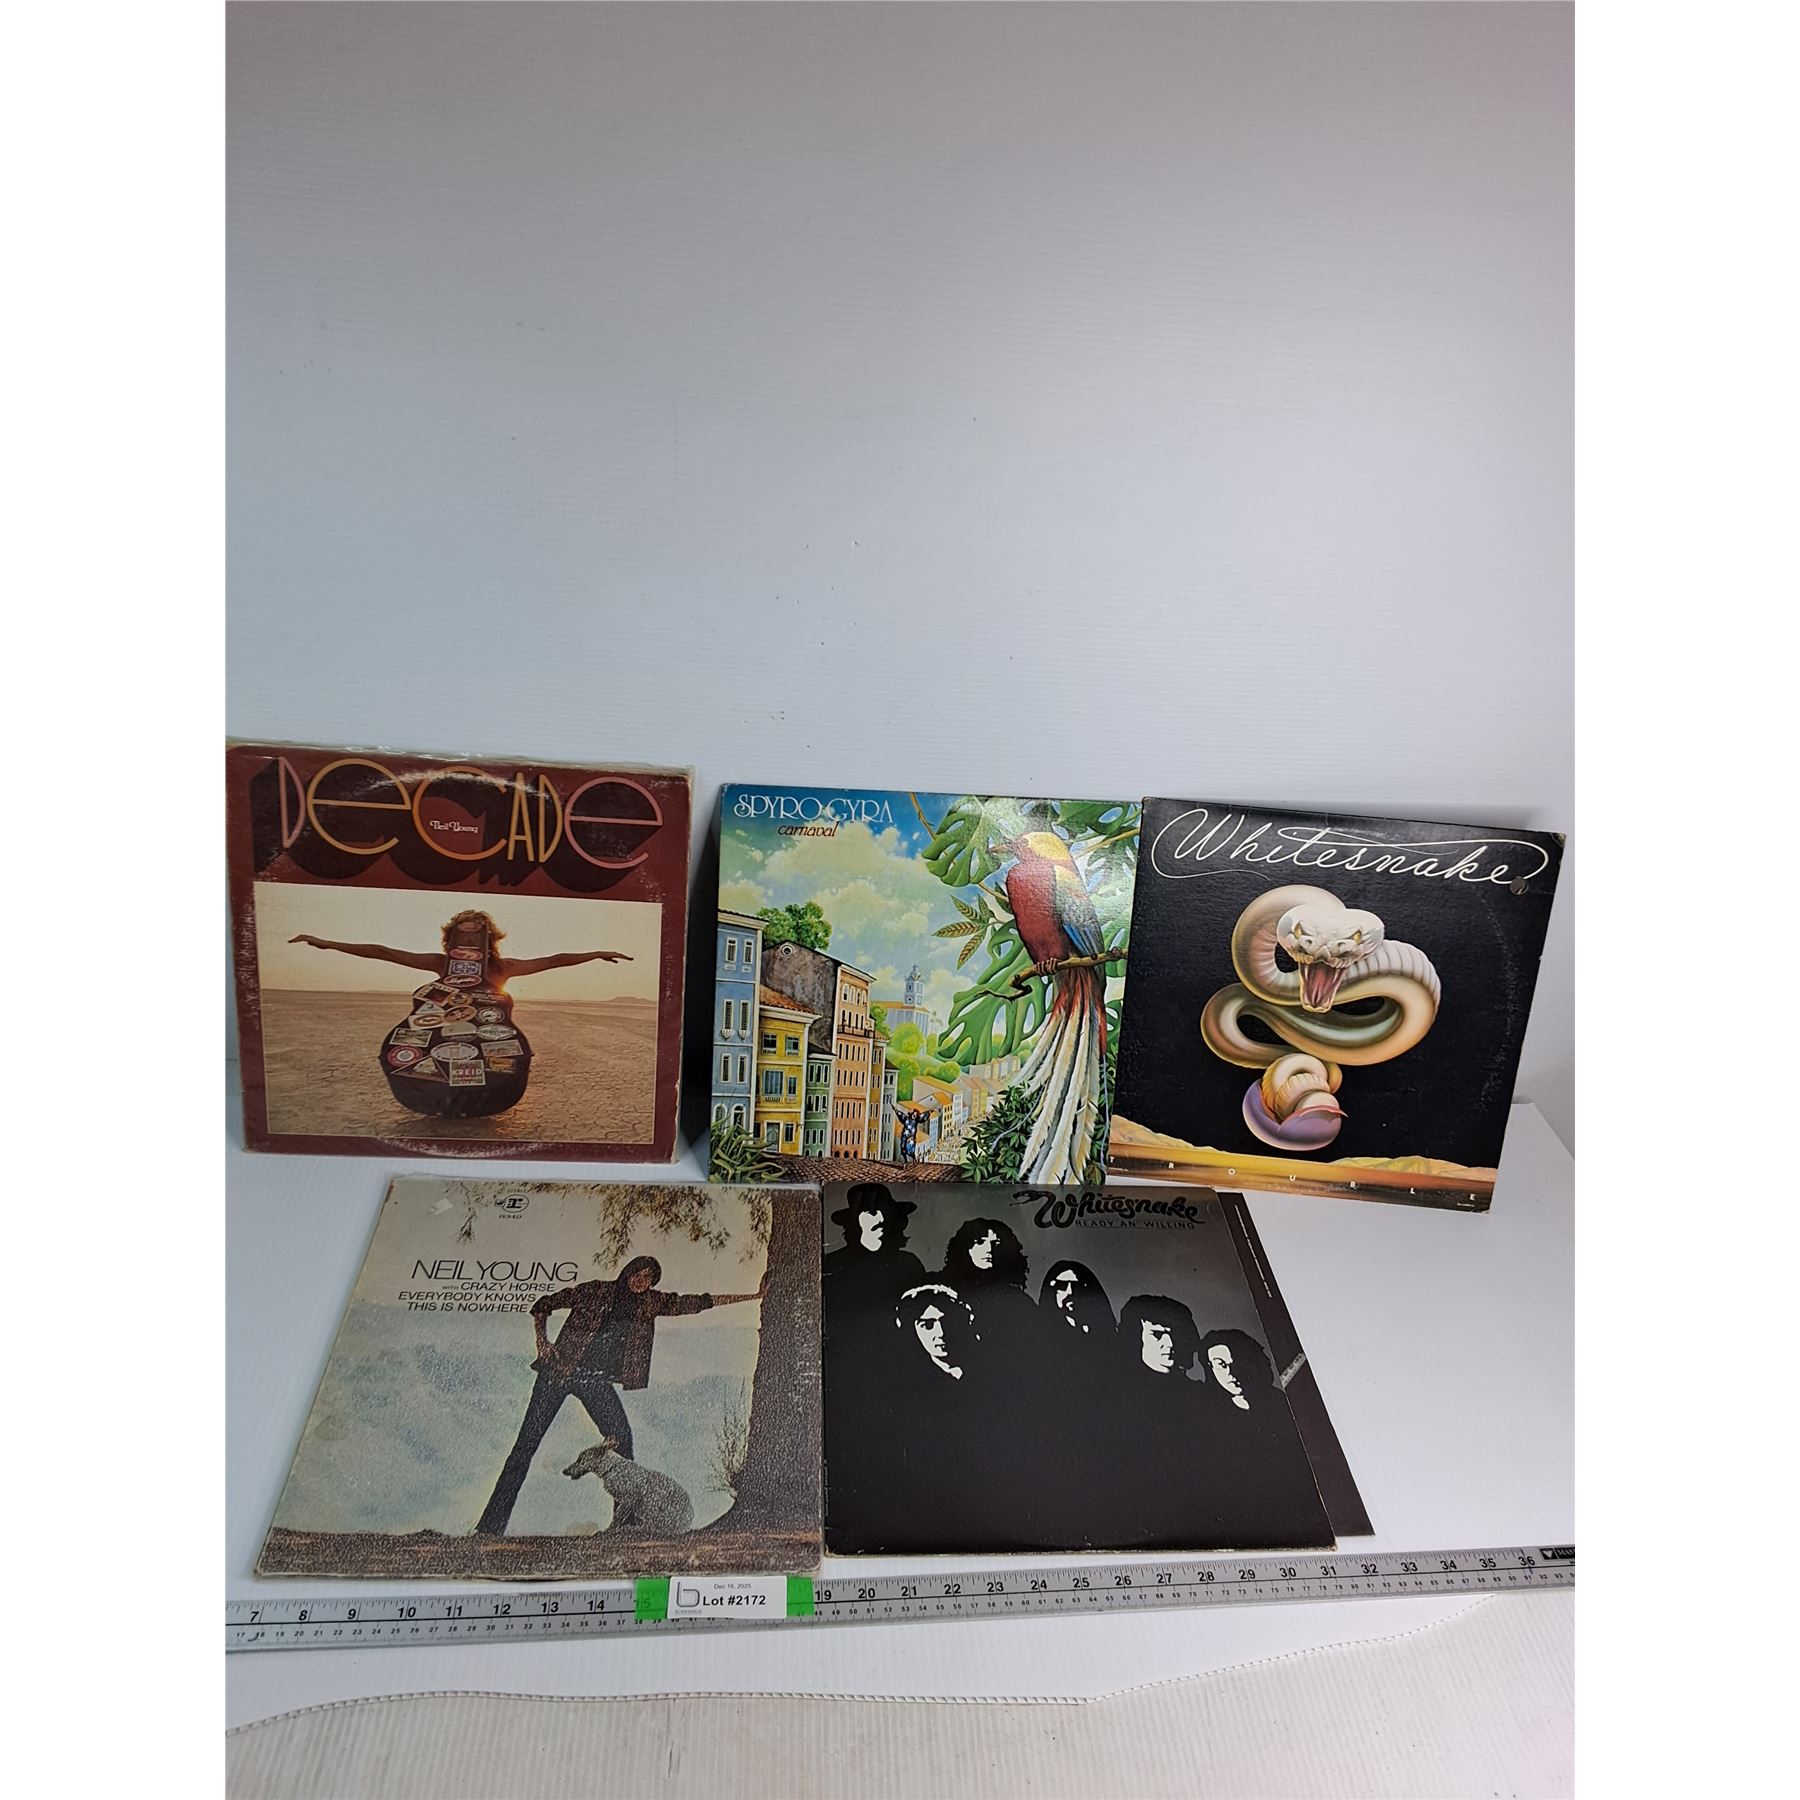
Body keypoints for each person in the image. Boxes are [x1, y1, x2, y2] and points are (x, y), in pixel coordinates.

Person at [475, 1254, 765, 1536]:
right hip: (557, 1373)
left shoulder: (651, 1302)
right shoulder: (595, 1290)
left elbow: (696, 1303)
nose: (642, 1281)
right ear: (627, 1272)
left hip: (595, 1382)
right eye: (638, 1274)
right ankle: (490, 1527)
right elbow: (542, 1306)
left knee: (622, 1439)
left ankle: (626, 1526)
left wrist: (753, 1296)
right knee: (525, 1446)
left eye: (649, 1278)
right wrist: (542, 1343)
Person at [291, 909, 633, 1119]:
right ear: (451, 937)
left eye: (475, 933)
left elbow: (555, 960)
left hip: (487, 1039)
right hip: (443, 1036)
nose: (468, 939)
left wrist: (596, 953)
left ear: (488, 939)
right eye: (463, 932)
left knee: (494, 1067)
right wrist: (329, 943)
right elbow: (384, 952)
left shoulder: (503, 968)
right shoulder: (440, 963)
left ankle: (477, 1105)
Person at [1195, 1327, 1332, 1546]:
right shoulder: (1204, 1412)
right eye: (1221, 1364)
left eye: (1237, 1362)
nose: (1231, 1372)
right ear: (1209, 1367)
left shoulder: (1280, 1404)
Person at [1111, 1293, 1211, 1547]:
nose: (1170, 1343)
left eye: (1176, 1333)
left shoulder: (1202, 1396)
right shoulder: (1114, 1396)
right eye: (1157, 1334)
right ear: (1136, 1336)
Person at [935, 1218, 1036, 1381]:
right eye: (980, 1242)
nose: (989, 1249)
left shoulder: (1019, 1301)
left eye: (996, 1244)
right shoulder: (940, 1292)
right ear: (965, 1247)